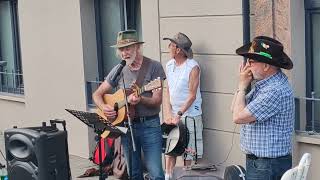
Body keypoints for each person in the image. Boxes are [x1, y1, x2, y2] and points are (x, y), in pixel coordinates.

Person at [92, 30, 165, 180]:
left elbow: (157, 101)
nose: (124, 53)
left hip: (150, 125)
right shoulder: (119, 69)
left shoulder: (154, 67)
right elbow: (97, 94)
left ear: (137, 47)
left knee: (156, 173)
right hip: (127, 126)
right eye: (121, 49)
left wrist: (141, 100)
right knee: (133, 173)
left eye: (128, 48)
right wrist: (104, 107)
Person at [231, 36, 294, 180]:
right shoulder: (264, 84)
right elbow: (234, 108)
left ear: (266, 66)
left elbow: (238, 117)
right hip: (262, 163)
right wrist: (242, 86)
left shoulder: (274, 90)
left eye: (251, 61)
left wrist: (242, 86)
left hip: (267, 165)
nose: (247, 65)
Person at [163, 32, 203, 180]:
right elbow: (167, 90)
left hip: (190, 114)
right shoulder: (169, 64)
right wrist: (168, 114)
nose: (168, 48)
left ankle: (186, 177)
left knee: (188, 152)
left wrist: (178, 114)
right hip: (173, 114)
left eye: (170, 45)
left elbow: (192, 95)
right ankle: (168, 176)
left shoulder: (193, 67)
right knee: (170, 148)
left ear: (178, 49)